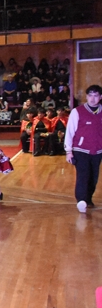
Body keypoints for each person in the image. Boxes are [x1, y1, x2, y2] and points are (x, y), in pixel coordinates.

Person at [64, 84, 102, 213]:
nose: (92, 98)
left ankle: (88, 199)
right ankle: (81, 200)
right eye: (90, 95)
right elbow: (70, 131)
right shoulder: (77, 111)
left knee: (94, 177)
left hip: (97, 151)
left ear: (100, 97)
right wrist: (68, 151)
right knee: (83, 175)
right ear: (86, 96)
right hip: (80, 150)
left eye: (96, 95)